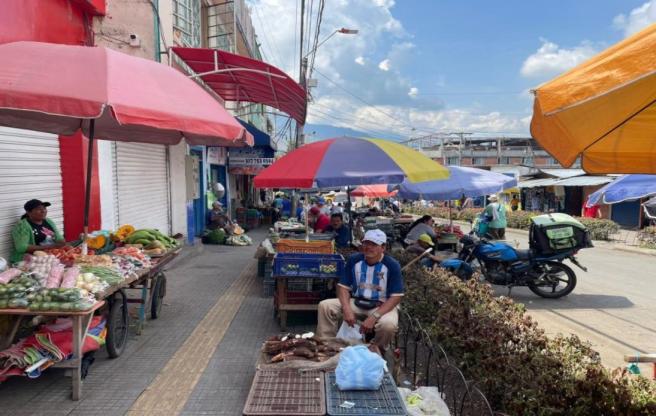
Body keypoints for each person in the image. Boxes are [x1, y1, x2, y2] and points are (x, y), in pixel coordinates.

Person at [317, 229, 403, 349]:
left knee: (388, 325)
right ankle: (326, 345)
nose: (369, 247)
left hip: (381, 306)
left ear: (383, 247)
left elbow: (396, 297)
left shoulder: (392, 265)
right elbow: (343, 287)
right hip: (358, 301)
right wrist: (347, 309)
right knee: (325, 306)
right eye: (366, 243)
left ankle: (377, 350)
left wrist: (374, 317)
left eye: (374, 244)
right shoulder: (354, 260)